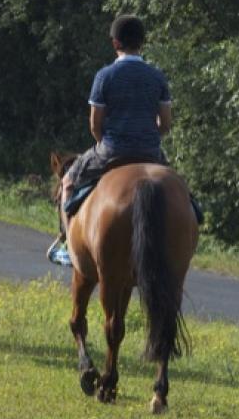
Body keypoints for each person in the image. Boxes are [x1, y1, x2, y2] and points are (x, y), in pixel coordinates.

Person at [48, 15, 172, 261]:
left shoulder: (105, 76)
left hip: (112, 149)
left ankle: (68, 246)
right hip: (150, 151)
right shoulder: (157, 77)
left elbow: (95, 124)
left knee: (69, 182)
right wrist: (148, 136)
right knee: (179, 190)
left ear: (116, 43)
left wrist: (105, 141)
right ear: (142, 43)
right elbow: (165, 123)